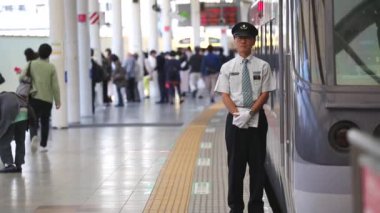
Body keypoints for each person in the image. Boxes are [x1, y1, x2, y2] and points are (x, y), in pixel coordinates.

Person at [214, 22, 276, 213]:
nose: (243, 41)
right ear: (235, 40)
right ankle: (235, 207)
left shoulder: (263, 66)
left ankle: (256, 206)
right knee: (235, 166)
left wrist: (250, 113)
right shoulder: (227, 67)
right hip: (234, 121)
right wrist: (236, 114)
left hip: (257, 119)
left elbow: (265, 93)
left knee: (257, 165)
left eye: (247, 38)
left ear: (253, 41)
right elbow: (225, 94)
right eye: (240, 38)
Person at [28, 43, 61, 153]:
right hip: (47, 99)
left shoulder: (31, 64)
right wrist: (58, 101)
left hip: (34, 97)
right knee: (45, 121)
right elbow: (55, 86)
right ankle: (43, 145)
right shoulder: (51, 67)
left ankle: (33, 136)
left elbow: (21, 77)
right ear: (49, 54)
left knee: (33, 120)